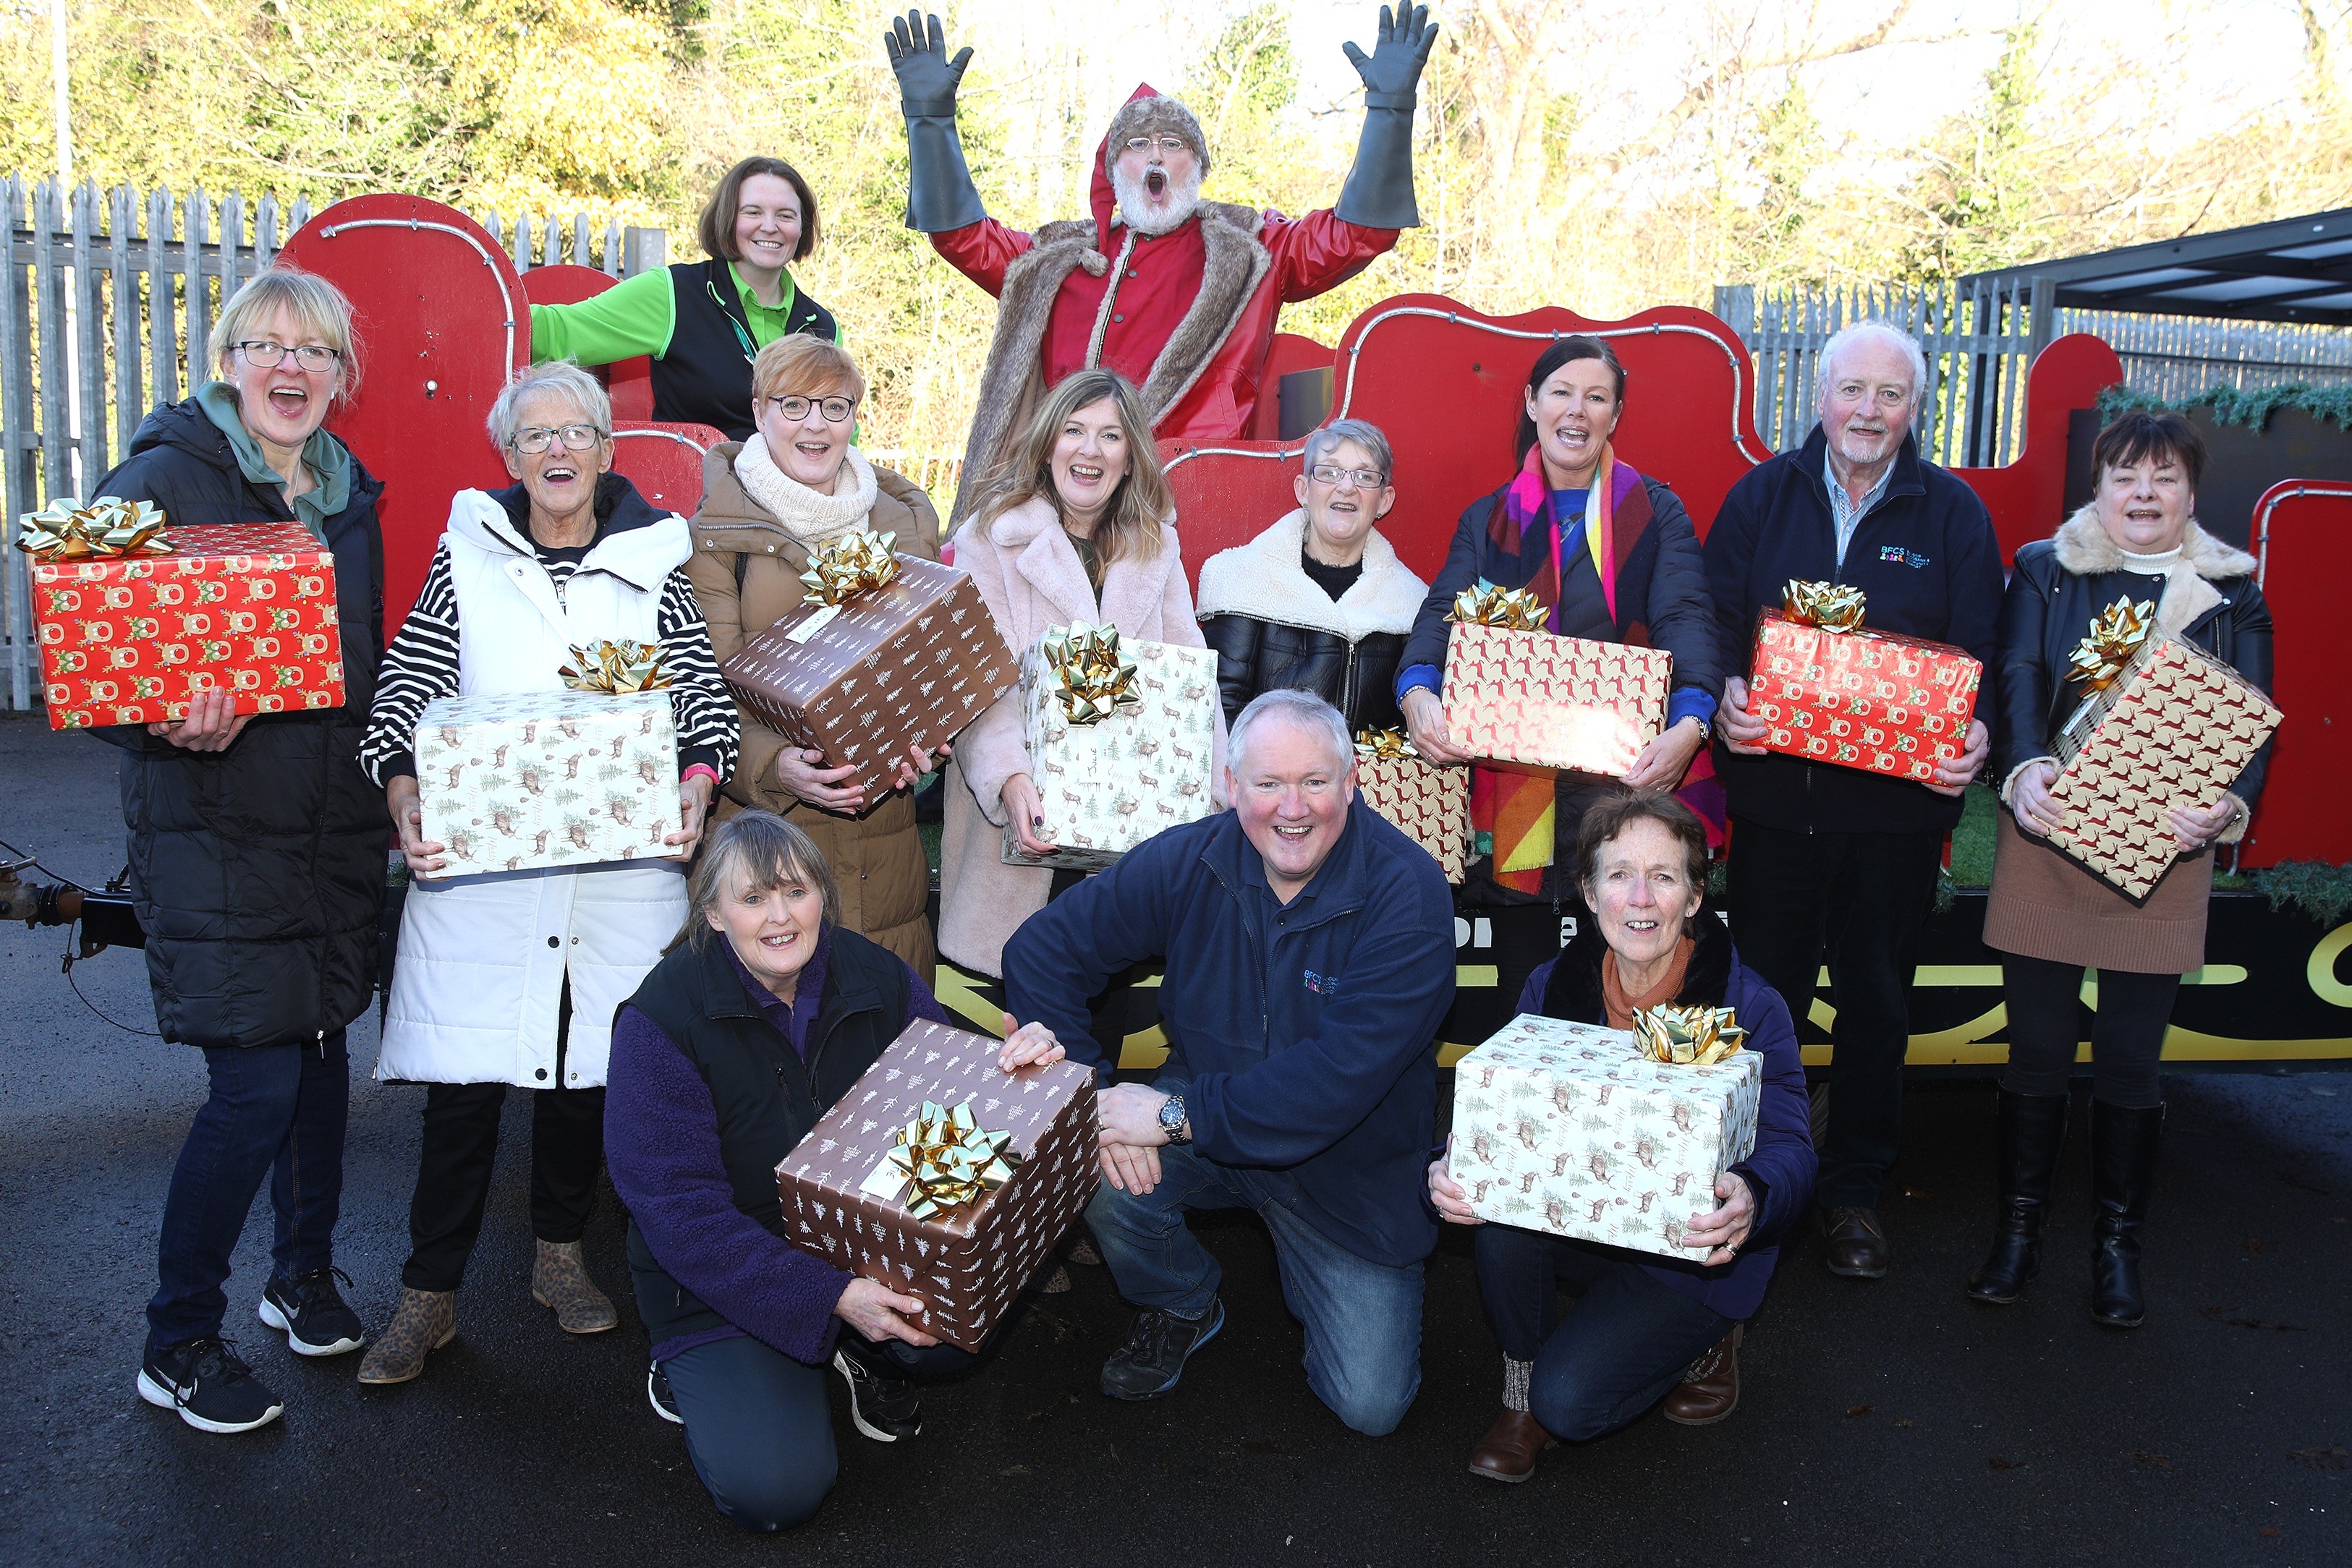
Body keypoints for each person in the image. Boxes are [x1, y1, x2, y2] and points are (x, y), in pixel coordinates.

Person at [356, 362, 741, 1384]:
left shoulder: (656, 562)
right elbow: (406, 688)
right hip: (487, 880)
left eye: (576, 433)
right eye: (535, 437)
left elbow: (699, 698)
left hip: (617, 874)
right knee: (464, 1085)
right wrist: (403, 791)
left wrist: (698, 784)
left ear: (608, 450)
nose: (557, 452)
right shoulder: (467, 558)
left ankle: (560, 1259)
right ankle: (426, 1294)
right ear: (510, 456)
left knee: (584, 1076)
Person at [1003, 689, 1456, 1435]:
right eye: (1267, 783)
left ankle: (1309, 1266)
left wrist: (1172, 1114)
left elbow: (1338, 1078)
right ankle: (1182, 1296)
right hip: (1210, 1104)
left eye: (1314, 781)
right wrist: (1091, 1094)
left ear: (1351, 783)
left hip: (1349, 1162)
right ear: (1229, 783)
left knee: (1370, 1405)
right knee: (1089, 1152)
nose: (1292, 807)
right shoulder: (1193, 856)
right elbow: (1043, 949)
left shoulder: (1406, 892)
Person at [606, 812, 1067, 1531]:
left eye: (796, 890)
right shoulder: (660, 1020)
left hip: (858, 1235)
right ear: (713, 914)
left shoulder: (873, 973)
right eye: (753, 898)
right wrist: (829, 1294)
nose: (780, 915)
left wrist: (1019, 1062)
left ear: (824, 893)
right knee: (776, 1490)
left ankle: (854, 1351)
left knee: (953, 1333)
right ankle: (698, 1366)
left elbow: (947, 1080)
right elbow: (678, 1215)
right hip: (721, 1271)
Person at [104, 268, 386, 1434]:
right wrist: (163, 714)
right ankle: (177, 1339)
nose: (291, 367)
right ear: (229, 360)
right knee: (255, 1086)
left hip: (331, 835)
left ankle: (301, 1275)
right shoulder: (160, 480)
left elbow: (363, 663)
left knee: (322, 1062)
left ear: (339, 377)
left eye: (315, 351)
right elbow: (93, 664)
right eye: (267, 344)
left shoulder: (348, 494)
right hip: (217, 836)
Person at [885, 6, 1438, 521]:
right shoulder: (1057, 258)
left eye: (1172, 143)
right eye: (1138, 143)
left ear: (1195, 165)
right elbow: (962, 237)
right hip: (1059, 495)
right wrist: (930, 121)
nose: (1154, 154)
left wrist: (1389, 112)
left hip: (1182, 497)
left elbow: (1355, 234)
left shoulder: (1250, 251)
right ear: (1113, 167)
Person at [1705, 319, 2001, 1281]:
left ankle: (1851, 1196)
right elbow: (1709, 625)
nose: (1867, 411)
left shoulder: (1950, 514)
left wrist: (1975, 736)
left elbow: (1978, 652)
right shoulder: (1760, 497)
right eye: (1852, 390)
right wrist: (1722, 701)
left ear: (1913, 408)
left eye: (1889, 394)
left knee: (1876, 1007)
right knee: (1763, 1006)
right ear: (1819, 398)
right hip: (1774, 811)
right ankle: (1750, 1185)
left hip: (1892, 821)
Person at [1971, 411, 2271, 1329]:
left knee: (2131, 1066)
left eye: (2164, 478)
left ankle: (2115, 1248)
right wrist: (2021, 767)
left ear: (2190, 492)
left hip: (2161, 849)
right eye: (2126, 477)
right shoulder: (2043, 568)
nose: (2143, 494)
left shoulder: (2233, 595)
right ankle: (2018, 1233)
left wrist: (2227, 806)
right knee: (2034, 1055)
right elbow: (2016, 671)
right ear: (2096, 488)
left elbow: (2254, 715)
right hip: (2047, 832)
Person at [1427, 791, 1813, 1481]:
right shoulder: (1550, 988)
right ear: (1587, 890)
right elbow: (1499, 1109)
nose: (1640, 898)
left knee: (1570, 1407)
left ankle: (1704, 1340)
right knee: (1495, 1212)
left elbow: (1791, 1143)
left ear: (1694, 898)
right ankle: (1520, 1397)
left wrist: (1753, 1194)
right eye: (1618, 874)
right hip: (1579, 1222)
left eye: (1664, 877)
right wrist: (1450, 1163)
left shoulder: (1747, 1002)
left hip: (1687, 1252)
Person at [1393, 335, 1720, 1000]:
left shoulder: (1654, 512)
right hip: (1521, 788)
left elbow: (1685, 617)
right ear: (1532, 403)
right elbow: (1439, 618)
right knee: (1529, 981)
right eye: (1562, 393)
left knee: (1633, 983)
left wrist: (1689, 725)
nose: (1577, 411)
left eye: (1596, 398)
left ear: (1615, 415)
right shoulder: (1487, 520)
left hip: (1630, 777)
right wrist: (1416, 691)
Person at [935, 367, 1226, 992]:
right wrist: (1008, 780)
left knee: (1103, 1051)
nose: (1090, 450)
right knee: (1015, 1053)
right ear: (1047, 444)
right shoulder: (990, 540)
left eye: (1110, 436)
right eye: (1074, 431)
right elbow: (977, 686)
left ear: (1130, 458)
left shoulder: (1158, 549)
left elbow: (1189, 683)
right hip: (1018, 839)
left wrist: (1214, 798)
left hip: (1129, 843)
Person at [684, 334, 948, 978]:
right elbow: (705, 690)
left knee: (877, 1042)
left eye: (835, 407)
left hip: (882, 845)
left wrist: (932, 739)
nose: (815, 425)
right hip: (765, 836)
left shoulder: (906, 524)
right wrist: (778, 768)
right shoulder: (715, 535)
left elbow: (930, 665)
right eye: (794, 404)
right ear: (758, 411)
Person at [528, 156, 836, 440]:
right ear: (727, 219)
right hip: (693, 494)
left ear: (802, 227)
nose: (769, 227)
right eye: (753, 212)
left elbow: (840, 436)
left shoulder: (822, 326)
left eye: (785, 215)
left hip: (791, 498)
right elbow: (557, 331)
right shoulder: (672, 294)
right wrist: (485, 304)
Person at [1196, 417, 1426, 732]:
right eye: (1329, 472)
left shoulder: (1412, 605)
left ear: (1384, 500)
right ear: (1304, 490)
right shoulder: (1241, 579)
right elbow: (1219, 712)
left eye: (1364, 476)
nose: (1347, 487)